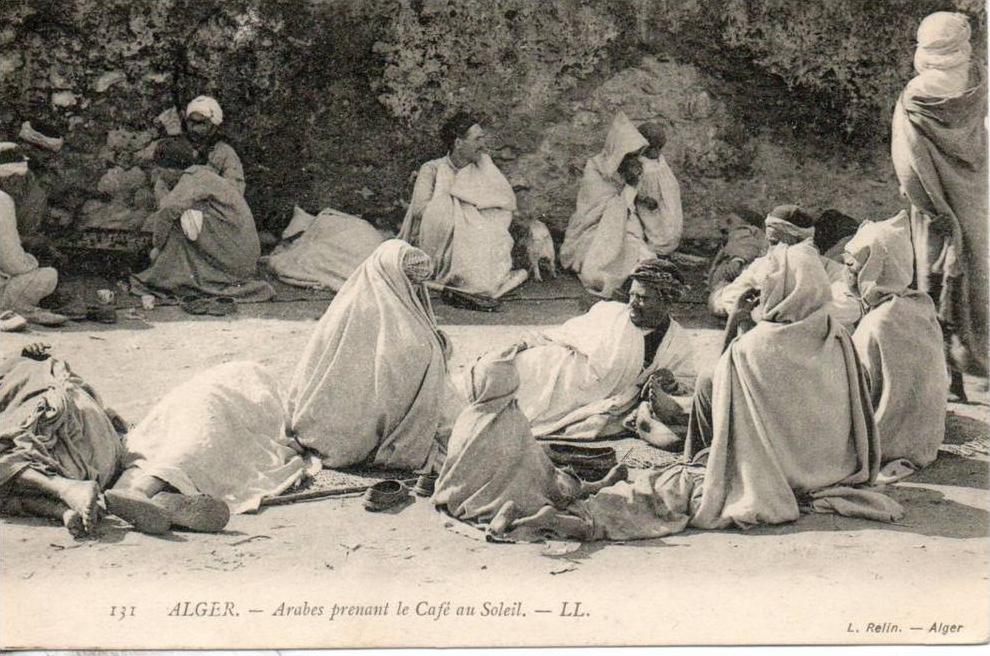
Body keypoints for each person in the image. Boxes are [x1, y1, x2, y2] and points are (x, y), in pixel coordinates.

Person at [491, 243, 903, 542]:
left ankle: (569, 514)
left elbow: (718, 396)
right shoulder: (838, 338)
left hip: (774, 470)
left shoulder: (752, 349)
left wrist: (736, 324)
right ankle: (570, 508)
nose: (636, 305)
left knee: (675, 484)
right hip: (829, 467)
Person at [286, 240, 458, 471]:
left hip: (322, 422)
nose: (415, 292)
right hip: (354, 429)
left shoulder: (351, 302)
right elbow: (403, 369)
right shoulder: (391, 319)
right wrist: (436, 352)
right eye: (410, 285)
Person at [489, 257, 695, 444]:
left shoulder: (677, 341)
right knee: (493, 389)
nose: (633, 303)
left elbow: (687, 384)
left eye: (643, 298)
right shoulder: (610, 312)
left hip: (587, 400)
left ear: (666, 301)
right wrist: (522, 344)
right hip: (552, 373)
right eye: (632, 295)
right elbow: (560, 335)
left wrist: (671, 382)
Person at [891, 11, 988, 389]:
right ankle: (977, 359)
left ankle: (949, 374)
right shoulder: (980, 82)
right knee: (978, 276)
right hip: (977, 199)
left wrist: (932, 207)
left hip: (935, 208)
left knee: (934, 280)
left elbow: (909, 166)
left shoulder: (916, 94)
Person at [434, 349, 627, 533]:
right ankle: (577, 490)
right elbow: (537, 466)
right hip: (521, 492)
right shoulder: (513, 419)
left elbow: (453, 466)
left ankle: (503, 512)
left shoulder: (466, 419)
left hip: (464, 497)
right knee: (552, 480)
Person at [113, 361, 312, 528]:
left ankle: (144, 495)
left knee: (152, 450)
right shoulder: (266, 384)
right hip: (215, 401)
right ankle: (148, 494)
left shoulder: (248, 375)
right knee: (198, 443)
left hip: (190, 403)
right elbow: (298, 429)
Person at [844, 211, 947, 476]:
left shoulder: (879, 322)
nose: (847, 274)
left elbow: (856, 391)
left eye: (852, 267)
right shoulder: (919, 306)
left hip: (885, 441)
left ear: (874, 268)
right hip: (923, 441)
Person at [398, 112, 527, 300]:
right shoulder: (432, 169)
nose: (482, 145)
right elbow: (420, 210)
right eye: (477, 139)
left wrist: (473, 220)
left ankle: (479, 278)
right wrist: (459, 213)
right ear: (458, 143)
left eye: (482, 138)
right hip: (439, 239)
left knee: (487, 241)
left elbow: (503, 201)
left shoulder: (484, 166)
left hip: (478, 236)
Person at [130, 144, 274, 302]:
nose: (159, 175)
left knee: (180, 222)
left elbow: (167, 210)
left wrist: (157, 246)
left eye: (160, 170)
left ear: (170, 169)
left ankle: (169, 276)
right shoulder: (204, 175)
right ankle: (182, 273)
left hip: (234, 260)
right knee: (189, 218)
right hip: (242, 257)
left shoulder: (192, 179)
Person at [561, 113, 678, 298]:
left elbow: (627, 201)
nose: (634, 158)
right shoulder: (595, 168)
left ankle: (639, 276)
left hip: (624, 220)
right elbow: (597, 204)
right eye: (630, 154)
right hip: (594, 225)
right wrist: (624, 199)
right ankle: (616, 280)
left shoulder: (630, 169)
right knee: (601, 256)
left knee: (636, 246)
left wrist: (639, 196)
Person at [715, 204, 861, 329]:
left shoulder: (832, 269)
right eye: (771, 243)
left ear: (798, 242)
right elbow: (729, 297)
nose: (772, 250)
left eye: (776, 243)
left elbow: (851, 308)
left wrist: (781, 312)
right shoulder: (764, 265)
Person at [0, 145, 65, 328]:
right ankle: (15, 309)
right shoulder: (2, 200)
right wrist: (35, 261)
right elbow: (13, 263)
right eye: (22, 180)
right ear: (12, 179)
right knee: (48, 275)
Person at [707, 206, 768, 318]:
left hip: (740, 280)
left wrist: (738, 260)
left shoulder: (744, 230)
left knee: (718, 304)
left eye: (730, 221)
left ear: (749, 223)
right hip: (747, 284)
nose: (724, 225)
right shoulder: (737, 240)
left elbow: (746, 244)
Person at [636, 122, 683, 256]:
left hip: (665, 200)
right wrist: (643, 198)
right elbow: (632, 187)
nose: (657, 153)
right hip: (649, 203)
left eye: (659, 148)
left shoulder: (659, 160)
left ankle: (670, 243)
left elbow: (667, 179)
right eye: (653, 148)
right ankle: (656, 246)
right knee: (654, 227)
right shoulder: (639, 163)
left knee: (670, 223)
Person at [183, 95, 246, 195]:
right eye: (191, 122)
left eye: (201, 123)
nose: (194, 129)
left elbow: (234, 195)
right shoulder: (185, 148)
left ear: (214, 127)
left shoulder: (226, 153)